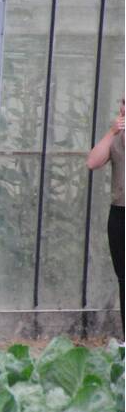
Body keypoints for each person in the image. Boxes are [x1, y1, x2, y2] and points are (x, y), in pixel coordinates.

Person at [87, 96, 125, 324]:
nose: (124, 108)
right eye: (123, 102)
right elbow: (92, 162)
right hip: (120, 213)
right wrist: (111, 132)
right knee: (124, 277)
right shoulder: (117, 136)